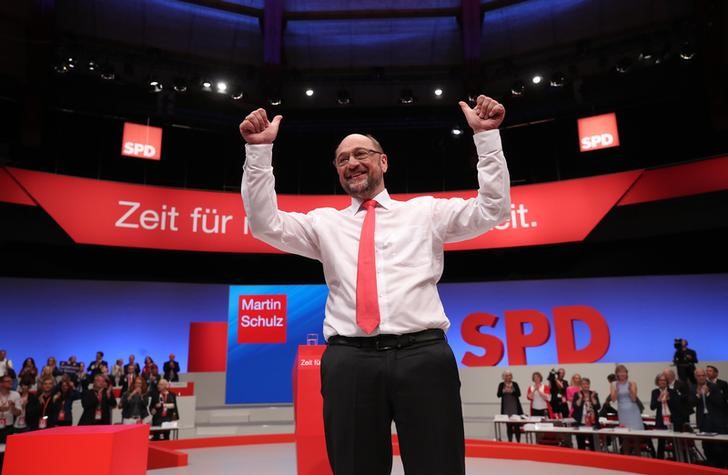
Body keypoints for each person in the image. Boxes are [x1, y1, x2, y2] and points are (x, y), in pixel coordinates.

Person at [240, 94, 510, 475]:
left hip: (423, 356)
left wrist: (485, 139)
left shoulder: (426, 213)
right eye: (342, 159)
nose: (352, 162)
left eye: (361, 153)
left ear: (383, 161)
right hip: (349, 362)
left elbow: (492, 210)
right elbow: (264, 223)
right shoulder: (323, 225)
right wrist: (259, 151)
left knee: (439, 466)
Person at [692, 367, 728, 468]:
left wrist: (708, 394)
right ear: (695, 377)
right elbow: (691, 403)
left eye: (703, 375)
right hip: (703, 422)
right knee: (707, 448)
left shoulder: (714, 387)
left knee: (720, 449)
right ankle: (710, 468)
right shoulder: (693, 387)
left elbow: (721, 403)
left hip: (717, 423)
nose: (701, 377)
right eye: (699, 376)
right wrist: (698, 395)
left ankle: (721, 468)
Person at [610, 364, 643, 456]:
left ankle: (638, 457)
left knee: (636, 436)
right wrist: (616, 390)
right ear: (617, 374)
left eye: (624, 372)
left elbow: (633, 399)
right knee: (625, 436)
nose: (622, 374)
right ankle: (626, 457)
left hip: (633, 411)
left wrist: (630, 390)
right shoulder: (613, 384)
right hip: (622, 411)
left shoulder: (632, 383)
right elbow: (613, 399)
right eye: (620, 372)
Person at [650, 373, 680, 459]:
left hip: (671, 420)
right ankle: (660, 461)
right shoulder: (655, 392)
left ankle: (676, 460)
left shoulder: (672, 391)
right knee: (661, 442)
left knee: (674, 442)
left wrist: (668, 399)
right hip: (660, 420)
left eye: (664, 380)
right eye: (660, 380)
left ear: (667, 382)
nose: (662, 382)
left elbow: (676, 406)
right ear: (657, 382)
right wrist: (659, 399)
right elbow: (652, 407)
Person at [572, 377, 601, 450]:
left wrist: (592, 397)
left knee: (593, 444)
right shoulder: (577, 394)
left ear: (589, 385)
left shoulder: (593, 394)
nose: (585, 385)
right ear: (581, 385)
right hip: (581, 422)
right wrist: (580, 398)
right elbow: (575, 406)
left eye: (587, 384)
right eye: (583, 384)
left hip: (592, 423)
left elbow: (598, 407)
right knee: (581, 444)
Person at [496, 370, 523, 442]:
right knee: (509, 426)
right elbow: (498, 395)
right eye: (506, 375)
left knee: (517, 427)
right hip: (506, 408)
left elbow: (519, 394)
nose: (508, 377)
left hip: (515, 408)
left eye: (509, 375)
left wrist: (512, 391)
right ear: (504, 377)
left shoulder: (515, 384)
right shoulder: (501, 384)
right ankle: (510, 442)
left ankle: (518, 442)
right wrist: (503, 391)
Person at [0, 374, 21, 443]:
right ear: (1, 383)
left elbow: (18, 413)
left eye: (11, 381)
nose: (11, 383)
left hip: (9, 427)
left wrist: (12, 407)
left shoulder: (16, 394)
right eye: (8, 381)